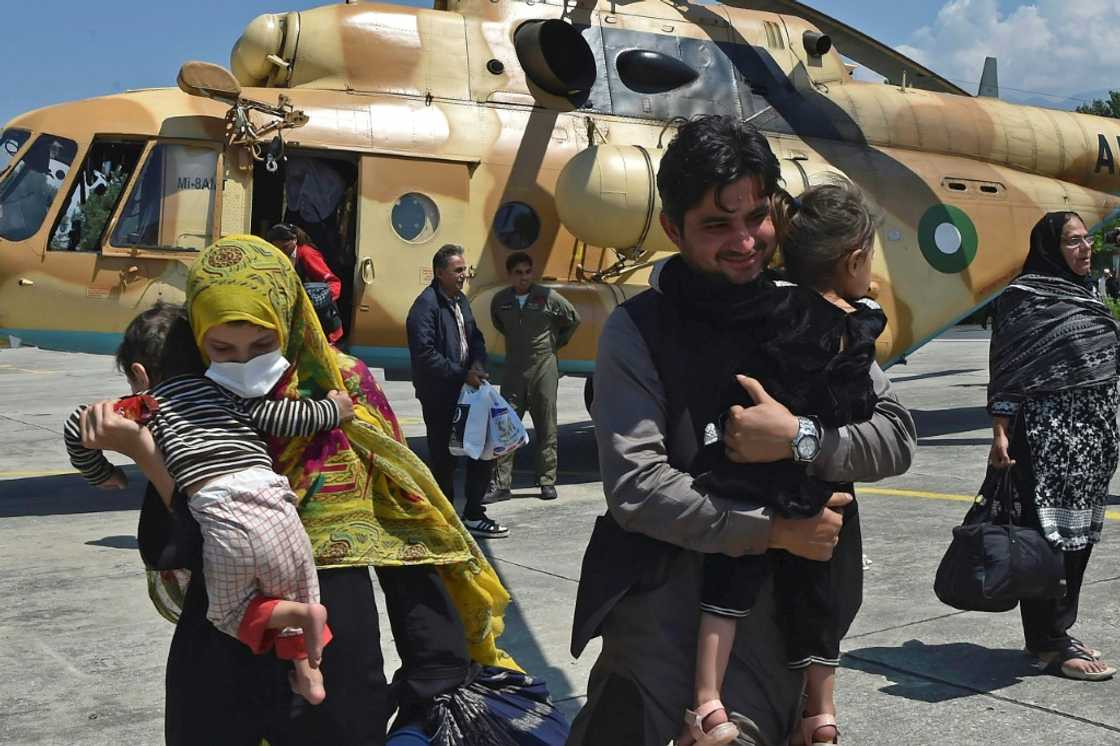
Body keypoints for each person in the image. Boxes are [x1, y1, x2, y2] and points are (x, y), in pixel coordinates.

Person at [80, 235, 524, 744]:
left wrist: (436, 665)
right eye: (221, 348)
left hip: (335, 642)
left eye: (262, 345)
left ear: (289, 320)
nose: (243, 363)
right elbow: (174, 546)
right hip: (223, 648)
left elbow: (408, 520)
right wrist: (146, 453)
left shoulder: (345, 387)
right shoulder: (193, 402)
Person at [567, 115, 916, 746]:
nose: (745, 241)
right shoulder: (638, 330)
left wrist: (799, 437)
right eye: (716, 225)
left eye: (756, 217)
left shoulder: (815, 311)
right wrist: (775, 530)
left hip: (784, 617)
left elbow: (895, 435)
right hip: (666, 608)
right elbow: (638, 486)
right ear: (673, 228)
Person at [677, 181, 888, 746]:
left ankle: (706, 702)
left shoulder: (764, 303)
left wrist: (786, 431)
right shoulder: (857, 327)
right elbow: (866, 408)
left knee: (727, 585)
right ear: (853, 259)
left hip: (747, 476)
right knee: (819, 590)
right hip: (818, 490)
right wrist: (817, 433)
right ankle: (820, 714)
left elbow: (899, 439)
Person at [66, 303, 355, 703]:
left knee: (229, 613)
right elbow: (286, 418)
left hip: (224, 521)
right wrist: (333, 409)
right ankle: (309, 675)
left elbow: (77, 427)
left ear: (139, 375)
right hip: (279, 508)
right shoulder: (231, 393)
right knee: (298, 592)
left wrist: (101, 473)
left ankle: (299, 619)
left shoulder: (146, 405)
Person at [987, 211, 1119, 682]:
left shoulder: (1088, 296)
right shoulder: (1023, 299)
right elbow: (1007, 367)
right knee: (1044, 538)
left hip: (1092, 439)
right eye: (1072, 241)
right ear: (1049, 247)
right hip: (1044, 438)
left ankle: (1055, 631)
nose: (1085, 249)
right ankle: (1049, 639)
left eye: (1087, 240)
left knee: (1080, 537)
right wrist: (1000, 432)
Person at [406, 243, 508, 538]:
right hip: (441, 396)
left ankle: (474, 514)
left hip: (468, 391)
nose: (464, 275)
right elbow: (425, 355)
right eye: (458, 270)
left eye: (465, 270)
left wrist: (477, 365)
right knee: (444, 459)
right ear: (440, 273)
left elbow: (475, 337)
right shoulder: (425, 307)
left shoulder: (460, 301)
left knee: (483, 450)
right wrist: (462, 375)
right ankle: (447, 520)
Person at [487, 251, 581, 502]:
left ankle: (547, 481)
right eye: (518, 273)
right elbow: (500, 323)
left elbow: (573, 319)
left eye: (528, 272)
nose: (524, 277)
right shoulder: (501, 301)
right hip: (514, 370)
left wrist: (554, 344)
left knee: (546, 427)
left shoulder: (548, 298)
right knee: (506, 426)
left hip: (543, 369)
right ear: (510, 275)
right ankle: (501, 484)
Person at [268, 222, 345, 344]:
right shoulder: (278, 257)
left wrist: (319, 300)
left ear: (294, 240)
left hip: (322, 324)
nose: (281, 253)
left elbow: (334, 283)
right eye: (277, 249)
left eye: (284, 248)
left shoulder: (307, 254)